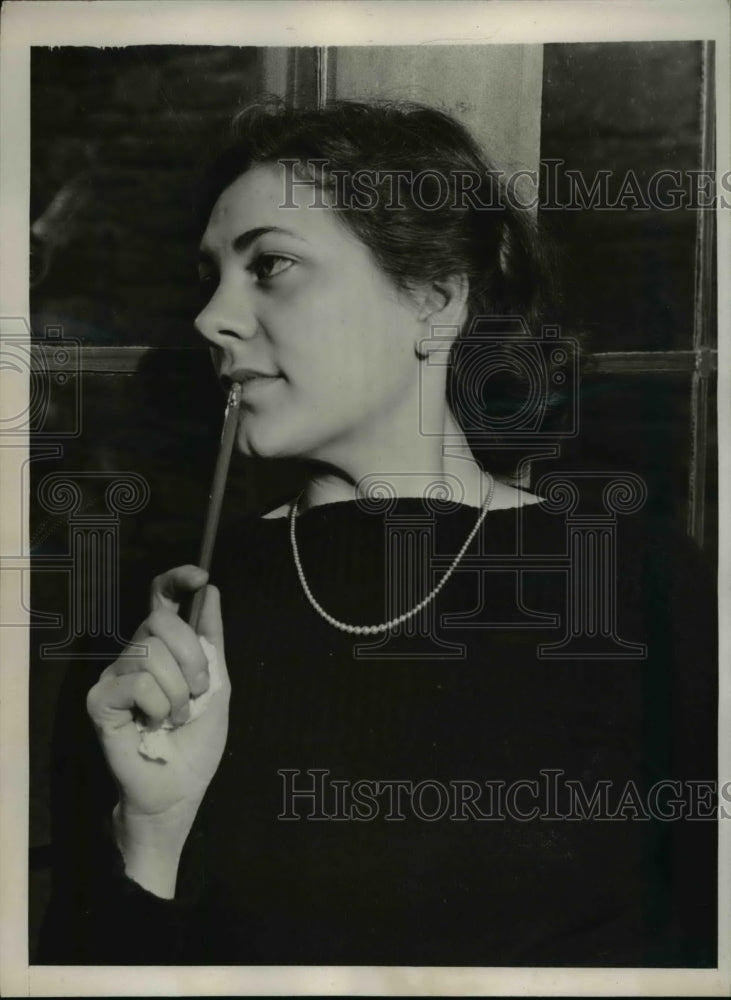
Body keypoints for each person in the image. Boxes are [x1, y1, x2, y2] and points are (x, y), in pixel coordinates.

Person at [38, 101, 717, 967]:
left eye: (270, 265)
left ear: (434, 300)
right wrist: (152, 832)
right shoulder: (160, 621)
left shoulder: (638, 579)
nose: (212, 317)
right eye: (208, 278)